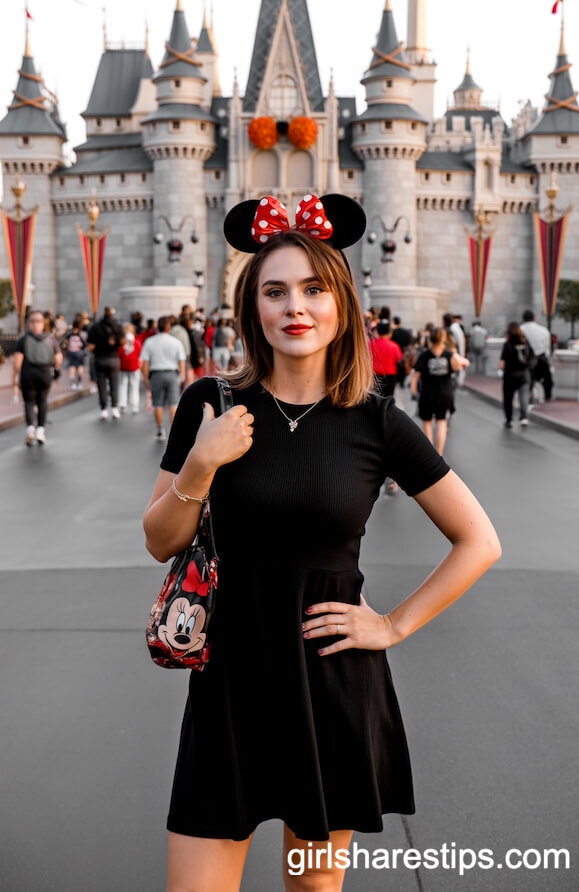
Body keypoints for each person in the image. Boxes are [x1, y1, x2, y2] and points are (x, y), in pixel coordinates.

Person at [142, 192, 501, 892]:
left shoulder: (376, 422)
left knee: (312, 887)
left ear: (341, 306)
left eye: (313, 289)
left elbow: (478, 541)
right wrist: (201, 462)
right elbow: (160, 540)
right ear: (254, 309)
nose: (295, 306)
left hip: (332, 682)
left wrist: (392, 624)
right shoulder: (208, 403)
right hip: (230, 683)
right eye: (275, 291)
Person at [410, 327, 470, 455]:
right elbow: (464, 363)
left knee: (427, 422)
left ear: (430, 340)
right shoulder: (449, 355)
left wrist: (414, 392)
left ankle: (430, 453)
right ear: (443, 339)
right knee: (441, 422)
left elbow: (415, 377)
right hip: (444, 393)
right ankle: (439, 454)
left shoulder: (424, 355)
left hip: (427, 393)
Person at [12, 309, 62, 445]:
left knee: (28, 402)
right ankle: (41, 430)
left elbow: (17, 363)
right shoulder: (50, 339)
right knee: (42, 401)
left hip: (28, 373)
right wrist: (55, 368)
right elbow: (58, 357)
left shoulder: (23, 340)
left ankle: (30, 429)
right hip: (45, 373)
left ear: (29, 323)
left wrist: (15, 378)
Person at [140, 315, 186, 441]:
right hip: (172, 373)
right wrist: (183, 375)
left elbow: (145, 362)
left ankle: (160, 430)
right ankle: (173, 431)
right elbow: (181, 361)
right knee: (173, 403)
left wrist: (145, 377)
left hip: (156, 374)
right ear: (168, 326)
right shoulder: (176, 342)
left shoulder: (150, 342)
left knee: (157, 403)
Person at [87, 306, 124, 420]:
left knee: (101, 385)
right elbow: (123, 342)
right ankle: (115, 409)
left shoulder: (96, 327)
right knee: (114, 384)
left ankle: (103, 410)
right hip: (113, 358)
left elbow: (91, 347)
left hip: (100, 359)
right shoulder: (117, 327)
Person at [499, 322, 535, 428]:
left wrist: (501, 369)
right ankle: (524, 417)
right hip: (524, 374)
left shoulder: (508, 344)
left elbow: (502, 363)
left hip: (509, 375)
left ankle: (509, 419)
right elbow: (532, 357)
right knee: (523, 397)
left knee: (508, 398)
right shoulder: (525, 343)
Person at [520, 309, 553, 403]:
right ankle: (548, 396)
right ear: (534, 317)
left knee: (527, 381)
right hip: (541, 359)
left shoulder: (520, 330)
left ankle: (528, 397)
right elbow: (547, 347)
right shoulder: (543, 330)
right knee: (547, 380)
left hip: (526, 360)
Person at [368, 319, 403, 397]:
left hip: (374, 376)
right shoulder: (394, 346)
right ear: (389, 332)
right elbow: (399, 359)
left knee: (375, 398)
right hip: (390, 376)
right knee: (388, 399)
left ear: (377, 330)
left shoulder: (370, 344)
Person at [117, 323, 142, 413]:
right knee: (134, 386)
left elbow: (119, 353)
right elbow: (139, 353)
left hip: (123, 365)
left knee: (122, 385)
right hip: (134, 365)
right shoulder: (136, 341)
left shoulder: (122, 341)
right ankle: (134, 405)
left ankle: (123, 404)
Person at [63, 317, 87, 389]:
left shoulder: (69, 334)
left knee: (72, 367)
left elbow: (65, 342)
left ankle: (73, 383)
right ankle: (79, 383)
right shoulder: (82, 334)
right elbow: (84, 344)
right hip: (79, 352)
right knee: (80, 367)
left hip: (71, 351)